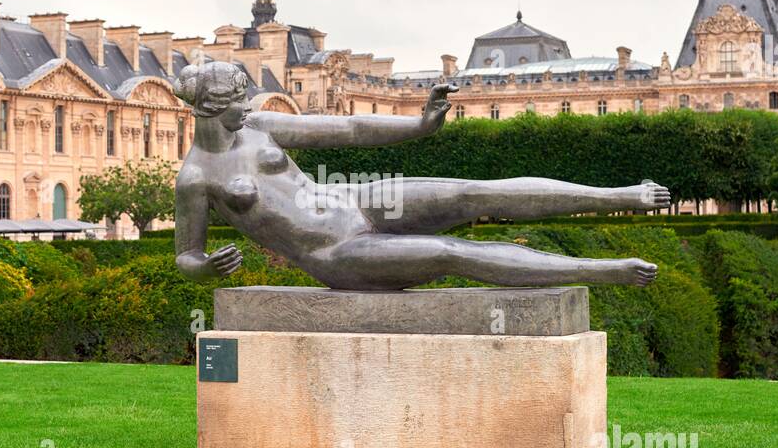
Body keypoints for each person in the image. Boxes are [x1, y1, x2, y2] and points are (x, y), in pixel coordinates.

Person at [173, 62, 670, 291]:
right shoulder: (196, 177)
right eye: (238, 98)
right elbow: (186, 256)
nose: (248, 103)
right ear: (209, 107)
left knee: (473, 192)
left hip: (357, 202)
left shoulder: (259, 125)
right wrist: (206, 267)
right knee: (451, 253)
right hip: (337, 254)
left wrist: (420, 123)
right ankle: (606, 272)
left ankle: (619, 194)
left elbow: (348, 128)